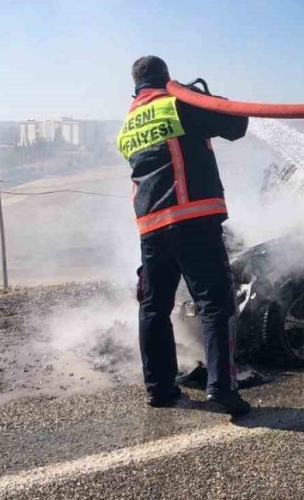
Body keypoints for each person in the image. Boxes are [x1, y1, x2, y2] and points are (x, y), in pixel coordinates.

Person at [118, 55, 251, 416]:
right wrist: (196, 94)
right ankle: (222, 389)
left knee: (153, 306)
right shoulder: (178, 105)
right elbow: (236, 123)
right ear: (166, 78)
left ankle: (159, 388)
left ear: (136, 85)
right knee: (216, 303)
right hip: (192, 218)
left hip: (151, 228)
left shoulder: (128, 123)